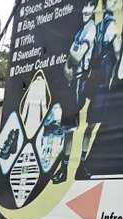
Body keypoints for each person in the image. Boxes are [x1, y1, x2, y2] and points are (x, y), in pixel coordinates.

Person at [52, 0, 97, 184]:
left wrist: (71, 57)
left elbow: (76, 56)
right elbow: (71, 60)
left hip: (81, 82)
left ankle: (79, 167)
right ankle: (66, 169)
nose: (85, 9)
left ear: (94, 8)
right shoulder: (82, 28)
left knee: (83, 127)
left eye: (90, 6)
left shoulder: (90, 29)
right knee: (69, 129)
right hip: (74, 82)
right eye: (84, 5)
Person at [78, 0, 123, 177]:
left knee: (91, 126)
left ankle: (83, 163)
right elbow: (118, 54)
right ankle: (84, 164)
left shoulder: (97, 26)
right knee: (95, 125)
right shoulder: (111, 26)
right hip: (104, 83)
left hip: (97, 82)